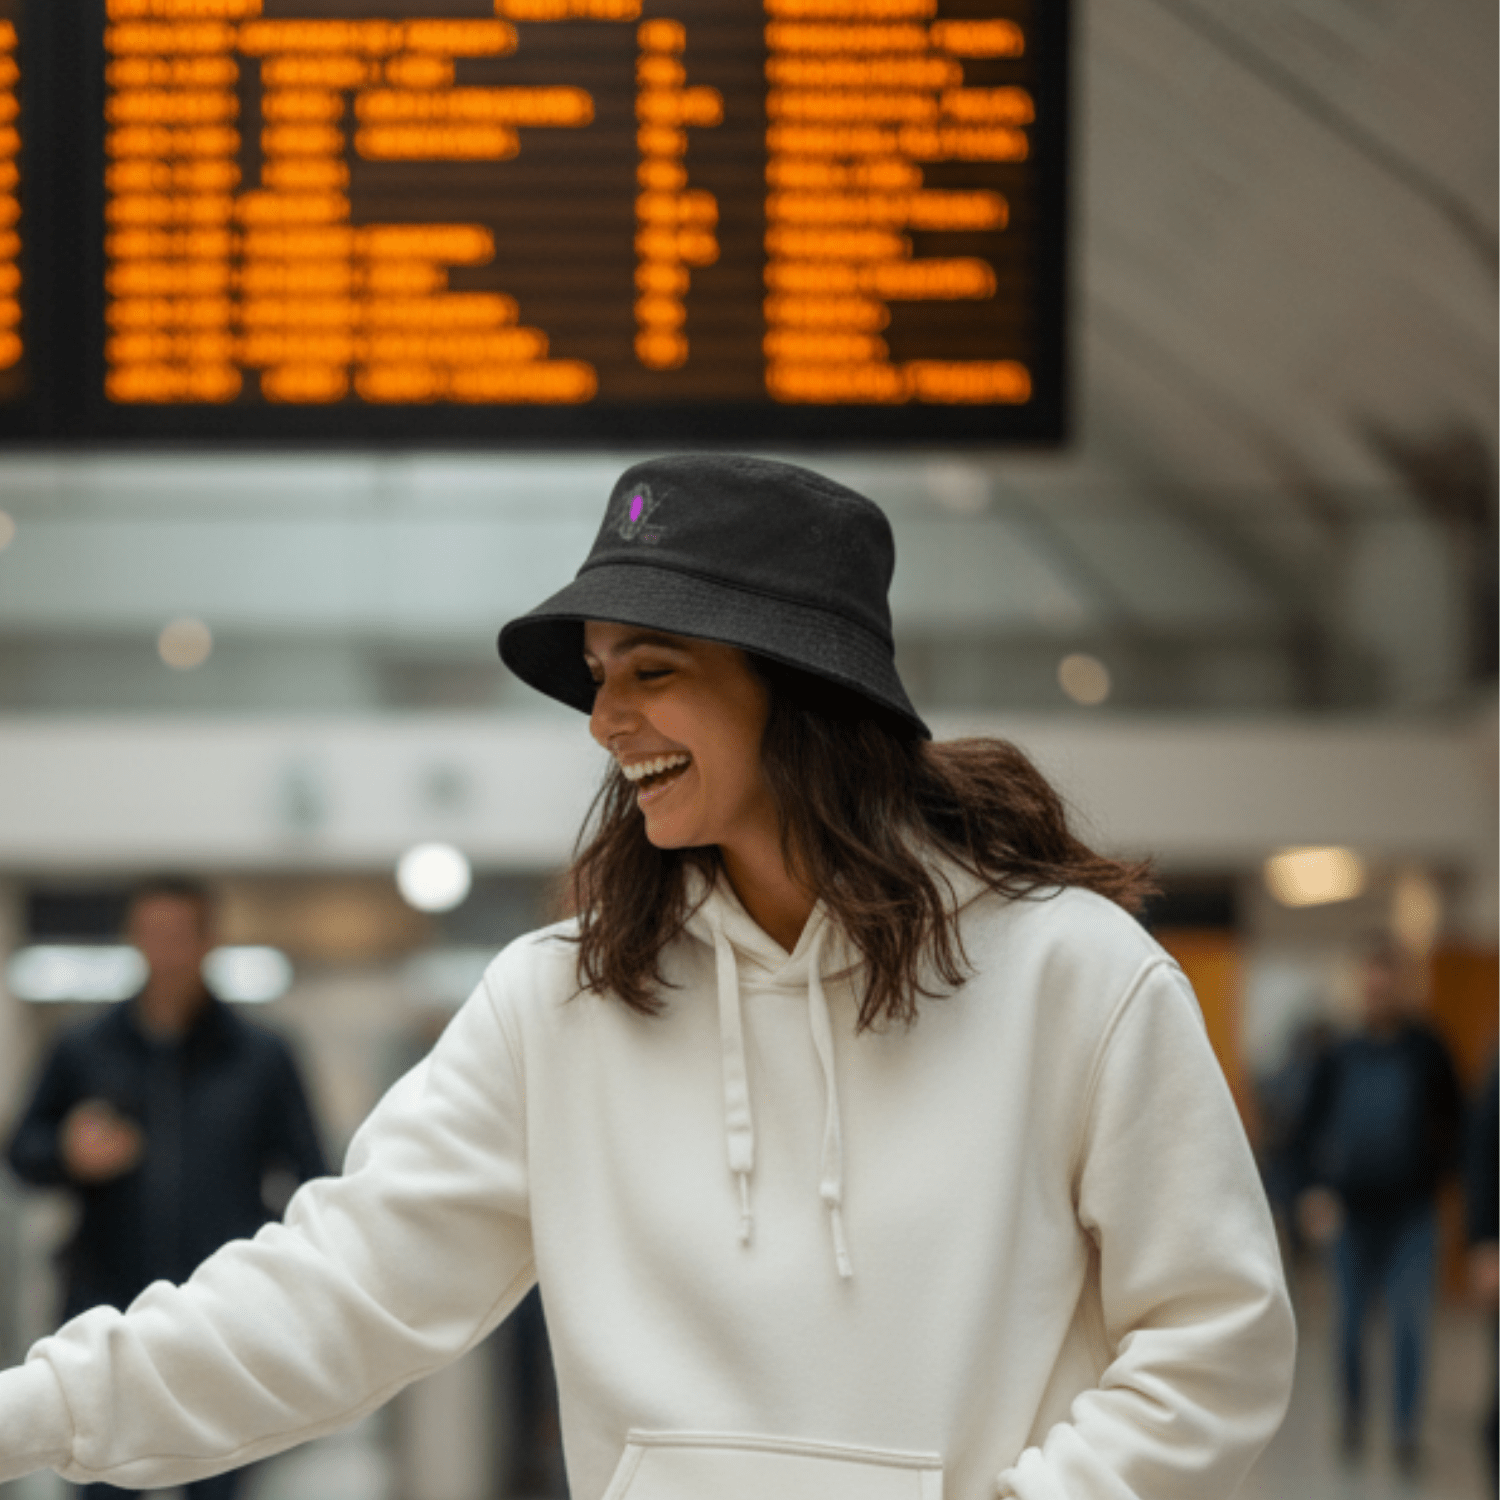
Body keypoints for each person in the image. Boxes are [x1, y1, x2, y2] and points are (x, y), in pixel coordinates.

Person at [0, 456, 1295, 1500]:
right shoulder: (557, 1004)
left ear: (799, 685)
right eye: (600, 675)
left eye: (653, 670)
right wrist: (25, 1413)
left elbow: (1215, 1343)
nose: (606, 719)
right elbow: (333, 1291)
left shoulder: (1077, 977)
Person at [4, 876, 328, 1500]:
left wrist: (290, 1285)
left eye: (179, 935)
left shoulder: (262, 1055)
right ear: (132, 940)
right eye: (152, 935)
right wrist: (69, 1151)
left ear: (209, 941)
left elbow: (312, 1177)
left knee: (220, 1482)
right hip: (107, 1310)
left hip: (223, 1316)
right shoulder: (83, 1047)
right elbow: (23, 1154)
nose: (166, 951)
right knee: (103, 1478)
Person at [1293, 936, 1464, 1473]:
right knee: (1347, 1328)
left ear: (1402, 987)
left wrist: (1439, 1180)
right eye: (1371, 985)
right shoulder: (1339, 1053)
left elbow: (1457, 1121)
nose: (1378, 994)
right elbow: (1306, 1128)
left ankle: (1406, 1433)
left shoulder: (1428, 1049)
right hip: (1350, 1215)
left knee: (1410, 1326)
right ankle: (1352, 1419)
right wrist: (1312, 1190)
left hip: (1411, 1214)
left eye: (1387, 985)